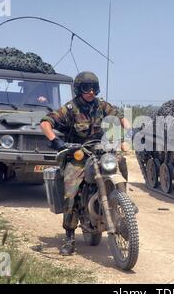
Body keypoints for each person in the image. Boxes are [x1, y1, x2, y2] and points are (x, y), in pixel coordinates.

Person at [40, 71, 131, 256]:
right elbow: (45, 123)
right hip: (78, 155)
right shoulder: (70, 109)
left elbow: (121, 117)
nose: (91, 92)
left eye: (94, 88)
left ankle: (122, 199)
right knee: (71, 191)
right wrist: (56, 142)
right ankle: (70, 236)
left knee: (120, 161)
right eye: (86, 88)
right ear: (78, 89)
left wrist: (129, 132)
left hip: (100, 151)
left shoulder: (101, 105)